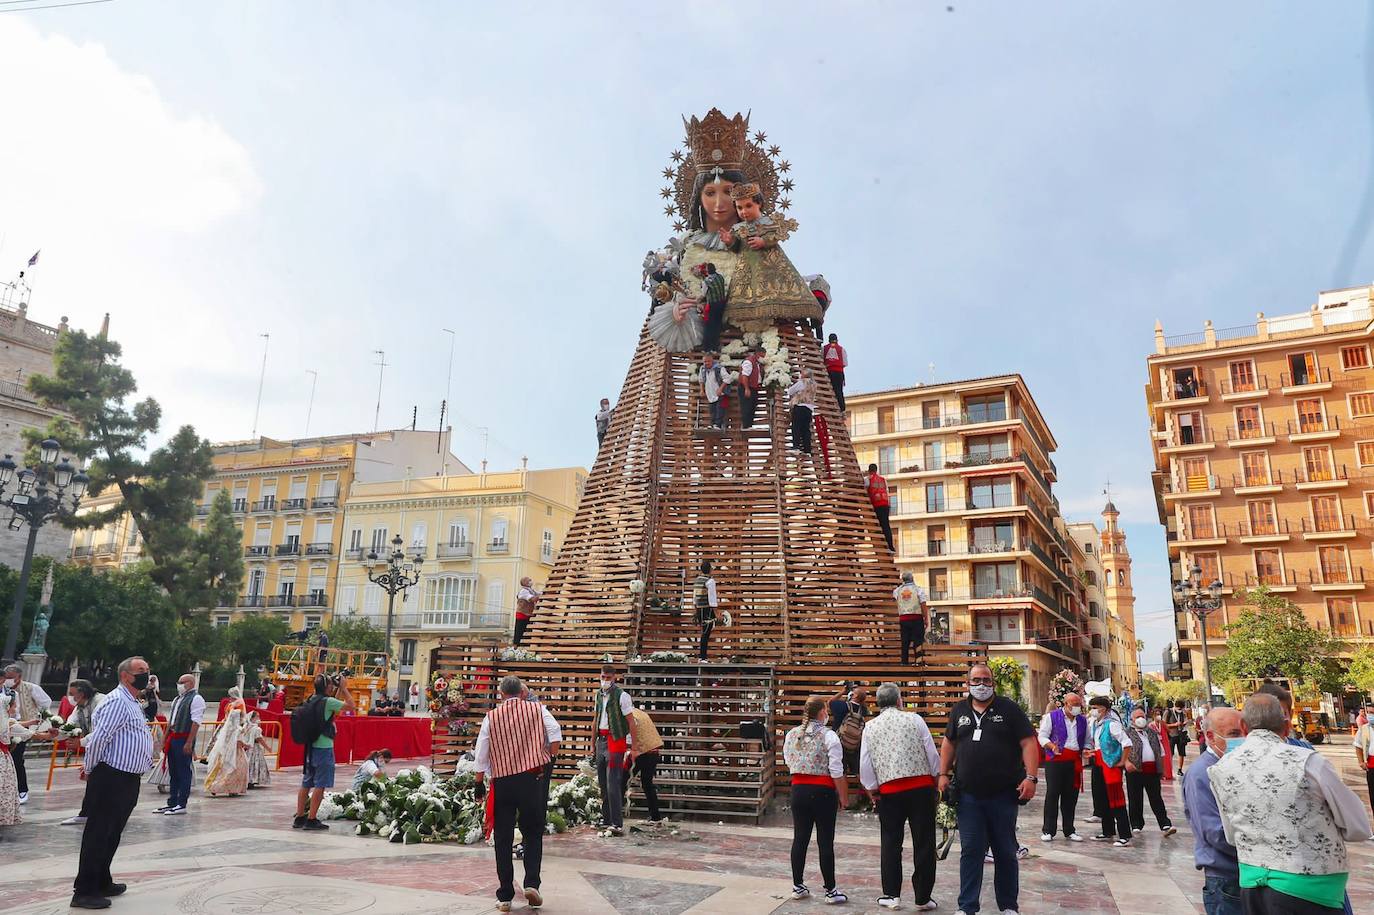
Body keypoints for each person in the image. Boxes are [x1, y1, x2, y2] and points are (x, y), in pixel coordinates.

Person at [1209, 693, 1372, 914]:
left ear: (1244, 727)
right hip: (1310, 887)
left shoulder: (1220, 768)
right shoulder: (1308, 761)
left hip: (1252, 883)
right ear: (1286, 727)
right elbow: (1358, 826)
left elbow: (1231, 835)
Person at [938, 663, 1039, 915]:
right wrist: (942, 773)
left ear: (993, 682)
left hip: (1003, 794)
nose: (981, 685)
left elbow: (1028, 742)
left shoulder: (1009, 709)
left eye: (986, 680)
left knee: (1005, 850)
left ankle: (1008, 906)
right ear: (968, 683)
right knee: (971, 851)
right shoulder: (959, 710)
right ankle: (967, 906)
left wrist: (1031, 777)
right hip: (968, 796)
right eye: (976, 680)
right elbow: (949, 743)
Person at [71, 656, 155, 910]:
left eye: (147, 670)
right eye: (140, 671)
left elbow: (104, 735)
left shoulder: (133, 702)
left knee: (112, 833)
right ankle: (84, 890)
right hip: (111, 776)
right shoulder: (117, 701)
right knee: (99, 833)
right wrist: (90, 767)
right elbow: (101, 739)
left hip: (127, 777)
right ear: (125, 676)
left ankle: (102, 879)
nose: (146, 674)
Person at [475, 676, 558, 912]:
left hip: (502, 781)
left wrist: (479, 782)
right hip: (531, 779)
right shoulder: (538, 709)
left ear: (501, 694)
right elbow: (555, 732)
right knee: (532, 831)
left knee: (503, 837)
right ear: (521, 692)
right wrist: (549, 757)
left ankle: (505, 895)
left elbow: (482, 751)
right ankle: (532, 883)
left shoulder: (491, 716)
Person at [861, 683, 940, 911]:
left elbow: (866, 763)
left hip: (889, 793)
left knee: (890, 843)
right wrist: (935, 778)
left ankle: (891, 894)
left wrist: (873, 788)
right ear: (899, 701)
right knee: (924, 842)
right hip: (920, 788)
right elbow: (931, 752)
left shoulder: (870, 727)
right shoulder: (915, 720)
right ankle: (923, 897)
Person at [785, 696, 851, 905]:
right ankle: (830, 890)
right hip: (822, 791)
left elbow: (788, 760)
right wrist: (843, 797)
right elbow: (836, 770)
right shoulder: (829, 736)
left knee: (800, 838)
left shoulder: (792, 734)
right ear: (822, 712)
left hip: (798, 789)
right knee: (825, 841)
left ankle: (798, 885)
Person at [1183, 707, 1244, 915]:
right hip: (1226, 878)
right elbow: (1214, 832)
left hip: (1247, 873)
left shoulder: (1235, 766)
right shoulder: (1201, 773)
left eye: (1245, 733)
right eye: (1234, 734)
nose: (1242, 740)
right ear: (1210, 736)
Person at [293, 673, 354, 831]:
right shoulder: (328, 701)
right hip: (324, 748)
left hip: (310, 747)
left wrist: (337, 690)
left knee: (306, 782)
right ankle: (312, 819)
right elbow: (351, 705)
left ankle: (300, 817)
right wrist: (344, 688)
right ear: (327, 687)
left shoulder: (311, 699)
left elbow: (332, 713)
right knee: (320, 784)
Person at [1038, 691, 1087, 843]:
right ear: (1066, 704)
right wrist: (1051, 745)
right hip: (1055, 760)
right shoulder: (1052, 717)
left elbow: (1087, 739)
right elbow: (1042, 736)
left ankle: (1069, 829)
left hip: (1073, 761)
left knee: (1071, 795)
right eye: (1074, 705)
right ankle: (1048, 830)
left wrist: (1086, 748)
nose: (1077, 708)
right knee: (1053, 794)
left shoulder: (1083, 721)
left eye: (1079, 705)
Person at [593, 665, 635, 836]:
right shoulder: (598, 695)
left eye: (608, 677)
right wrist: (592, 743)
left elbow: (631, 721)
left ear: (614, 678)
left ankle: (617, 822)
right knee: (602, 782)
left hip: (615, 739)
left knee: (613, 783)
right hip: (601, 739)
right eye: (603, 676)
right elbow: (596, 718)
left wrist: (634, 745)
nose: (605, 680)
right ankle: (606, 819)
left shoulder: (622, 696)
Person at [154, 674, 204, 816]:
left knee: (183, 772)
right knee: (174, 771)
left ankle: (182, 803)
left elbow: (196, 722)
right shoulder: (178, 699)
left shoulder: (196, 699)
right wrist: (164, 738)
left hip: (183, 738)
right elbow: (171, 721)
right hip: (173, 737)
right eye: (179, 682)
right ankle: (172, 802)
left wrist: (189, 742)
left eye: (182, 682)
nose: (179, 685)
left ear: (191, 683)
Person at [58, 680, 105, 826]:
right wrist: (55, 734)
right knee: (93, 781)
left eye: (73, 694)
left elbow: (101, 731)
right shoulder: (79, 706)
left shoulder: (101, 701)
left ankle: (101, 813)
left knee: (103, 782)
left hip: (109, 748)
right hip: (94, 746)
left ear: (82, 693)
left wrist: (81, 742)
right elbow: (70, 724)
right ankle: (87, 813)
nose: (70, 697)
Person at [1087, 695, 1133, 846]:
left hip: (1111, 765)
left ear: (1103, 709)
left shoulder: (1112, 724)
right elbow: (1100, 745)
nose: (1092, 711)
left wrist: (1123, 761)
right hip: (1098, 764)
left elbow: (1127, 743)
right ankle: (1107, 830)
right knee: (1102, 798)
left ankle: (1124, 834)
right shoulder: (1095, 724)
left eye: (1095, 708)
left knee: (1116, 798)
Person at [1125, 707, 1178, 837]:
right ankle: (1136, 824)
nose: (1140, 719)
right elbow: (1122, 749)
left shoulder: (1151, 732)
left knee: (1156, 798)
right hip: (1135, 770)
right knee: (1135, 798)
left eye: (1142, 716)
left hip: (1152, 770)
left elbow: (1161, 750)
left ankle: (1164, 823)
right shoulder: (1127, 733)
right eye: (1137, 717)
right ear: (1132, 719)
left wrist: (1162, 767)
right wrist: (1126, 762)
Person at [3, 662, 51, 804]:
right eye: (7, 677)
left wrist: (37, 720)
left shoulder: (31, 688)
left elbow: (46, 703)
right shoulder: (3, 689)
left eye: (12, 677)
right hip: (6, 727)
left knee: (17, 759)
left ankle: (22, 789)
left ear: (19, 676)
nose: (9, 680)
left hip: (22, 729)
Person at [623, 704, 664, 826]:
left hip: (640, 752)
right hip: (653, 751)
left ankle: (614, 814)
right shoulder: (641, 713)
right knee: (647, 784)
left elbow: (630, 736)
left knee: (621, 781)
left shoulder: (629, 716)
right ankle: (655, 816)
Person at [204, 707, 250, 797]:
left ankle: (214, 786)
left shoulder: (227, 728)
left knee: (222, 769)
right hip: (236, 752)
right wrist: (246, 745)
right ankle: (232, 789)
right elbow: (238, 742)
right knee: (236, 770)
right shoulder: (238, 729)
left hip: (224, 751)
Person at [829, 685, 868, 776]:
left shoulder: (842, 706)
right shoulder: (863, 710)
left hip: (839, 742)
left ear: (854, 696)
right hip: (854, 744)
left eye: (853, 692)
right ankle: (864, 789)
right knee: (857, 771)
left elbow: (830, 702)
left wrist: (842, 692)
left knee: (840, 772)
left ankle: (842, 790)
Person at [893, 572, 929, 664]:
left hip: (903, 619)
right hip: (916, 618)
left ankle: (904, 662)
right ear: (912, 578)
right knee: (918, 641)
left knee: (905, 641)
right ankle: (918, 661)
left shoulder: (897, 591)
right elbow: (923, 604)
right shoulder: (918, 590)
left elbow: (897, 599)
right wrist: (926, 618)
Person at [0, 692, 20, 840]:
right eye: (14, 705)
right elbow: (25, 731)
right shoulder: (6, 722)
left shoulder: (6, 721)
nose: (16, 707)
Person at [696, 262, 728, 353]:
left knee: (709, 326)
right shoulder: (720, 277)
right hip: (721, 303)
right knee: (717, 326)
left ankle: (707, 347)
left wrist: (697, 300)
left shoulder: (706, 281)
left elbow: (703, 294)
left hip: (712, 305)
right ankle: (715, 347)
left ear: (707, 271)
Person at [692, 560, 720, 661]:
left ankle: (702, 656)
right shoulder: (710, 581)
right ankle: (702, 657)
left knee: (704, 632)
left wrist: (695, 610)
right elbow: (712, 598)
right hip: (707, 609)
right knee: (706, 633)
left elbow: (694, 597)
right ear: (710, 570)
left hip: (699, 609)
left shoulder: (698, 580)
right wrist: (716, 613)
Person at [701, 351, 736, 430]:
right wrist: (701, 390)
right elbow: (701, 380)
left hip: (722, 393)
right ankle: (713, 424)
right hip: (711, 393)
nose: (706, 363)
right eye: (705, 361)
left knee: (720, 409)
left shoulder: (719, 368)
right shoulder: (703, 369)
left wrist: (721, 388)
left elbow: (728, 378)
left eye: (708, 361)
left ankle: (718, 425)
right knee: (712, 410)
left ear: (712, 360)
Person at [1352, 700, 1374, 818]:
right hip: (1371, 766)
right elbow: (1358, 745)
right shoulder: (1365, 729)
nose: (1371, 716)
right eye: (1369, 713)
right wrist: (1361, 761)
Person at [786, 371, 817, 454]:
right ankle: (807, 449)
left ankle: (796, 447)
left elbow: (790, 391)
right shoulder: (814, 384)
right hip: (809, 408)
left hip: (799, 407)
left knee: (796, 427)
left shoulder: (801, 382)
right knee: (806, 429)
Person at [865, 463, 894, 551]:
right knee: (886, 526)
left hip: (877, 505)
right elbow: (887, 491)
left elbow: (864, 489)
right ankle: (890, 546)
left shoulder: (867, 479)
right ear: (876, 470)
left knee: (879, 526)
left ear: (869, 470)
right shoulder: (883, 480)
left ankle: (885, 546)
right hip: (885, 504)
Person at [737, 346, 763, 429]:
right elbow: (745, 376)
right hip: (747, 387)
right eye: (763, 356)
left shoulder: (757, 363)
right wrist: (746, 388)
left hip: (754, 388)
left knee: (752, 406)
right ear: (758, 354)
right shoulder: (749, 361)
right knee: (746, 407)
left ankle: (749, 425)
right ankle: (746, 425)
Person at [245, 711, 272, 788]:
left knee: (249, 763)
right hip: (255, 748)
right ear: (252, 718)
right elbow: (259, 739)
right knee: (255, 763)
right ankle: (252, 779)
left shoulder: (247, 726)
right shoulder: (256, 728)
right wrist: (267, 747)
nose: (259, 718)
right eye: (257, 717)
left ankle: (248, 779)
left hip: (248, 748)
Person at [822, 333, 848, 412]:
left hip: (828, 372)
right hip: (839, 372)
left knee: (828, 390)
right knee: (839, 391)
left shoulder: (824, 348)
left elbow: (821, 360)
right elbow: (845, 363)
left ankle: (830, 407)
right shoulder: (841, 349)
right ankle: (841, 408)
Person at [1166, 700, 1191, 775]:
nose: (1180, 710)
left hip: (1181, 735)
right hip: (1172, 735)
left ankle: (1180, 769)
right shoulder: (1169, 712)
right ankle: (1169, 769)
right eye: (1179, 709)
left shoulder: (1183, 713)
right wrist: (1175, 724)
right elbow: (1164, 724)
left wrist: (1184, 723)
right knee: (1171, 753)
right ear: (1175, 707)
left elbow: (1188, 720)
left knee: (1182, 753)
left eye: (1181, 709)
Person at [514, 577, 541, 646]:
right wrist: (539, 596)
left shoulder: (531, 590)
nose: (530, 581)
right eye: (529, 580)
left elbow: (538, 593)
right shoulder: (524, 591)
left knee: (527, 633)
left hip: (528, 615)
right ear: (525, 583)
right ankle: (517, 647)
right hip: (522, 615)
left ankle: (525, 647)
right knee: (519, 633)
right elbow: (532, 599)